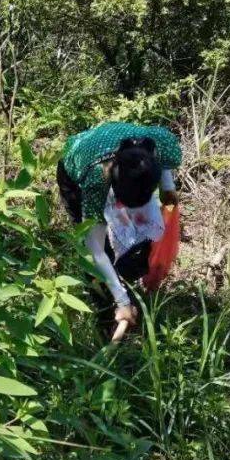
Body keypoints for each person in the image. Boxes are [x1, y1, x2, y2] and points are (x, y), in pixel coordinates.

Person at [57, 122, 182, 341]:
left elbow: (163, 168)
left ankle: (127, 278)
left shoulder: (163, 144)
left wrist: (168, 189)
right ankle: (108, 311)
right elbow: (94, 249)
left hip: (123, 166)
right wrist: (122, 301)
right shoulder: (95, 179)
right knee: (97, 247)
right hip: (77, 167)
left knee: (142, 230)